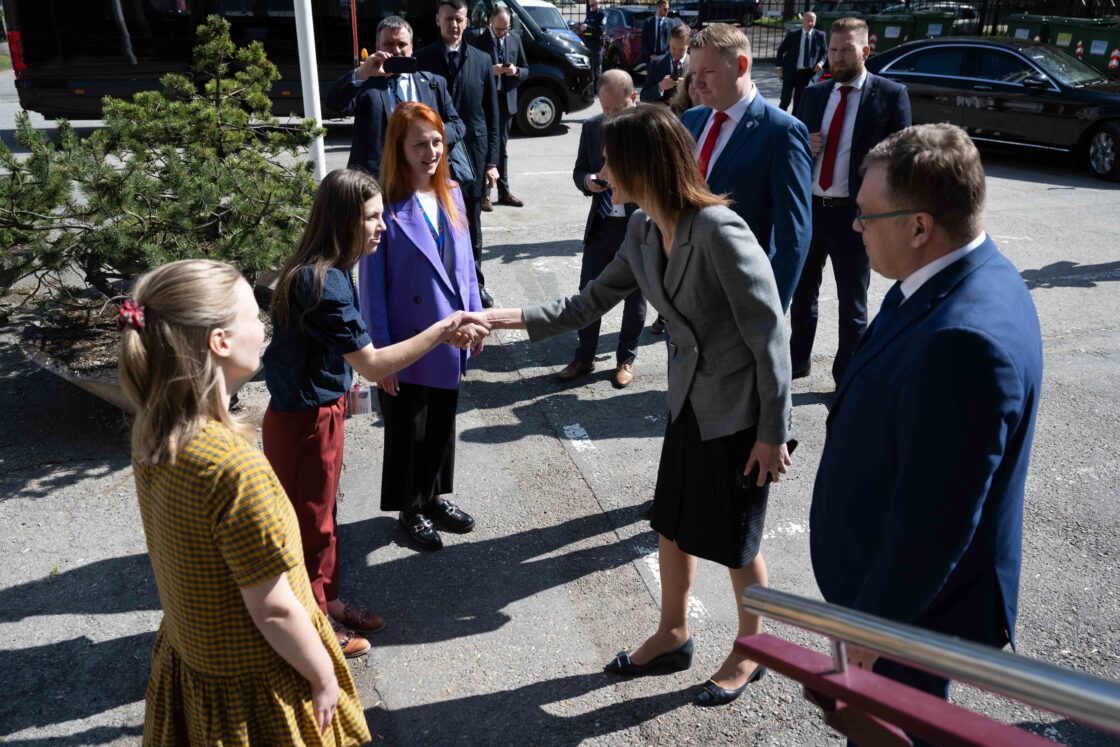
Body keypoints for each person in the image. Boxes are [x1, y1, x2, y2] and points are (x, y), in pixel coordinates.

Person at [484, 104, 794, 708]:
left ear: (644, 166)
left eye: (611, 161)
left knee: (736, 539)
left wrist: (772, 431)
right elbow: (586, 304)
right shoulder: (643, 231)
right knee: (671, 523)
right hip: (685, 404)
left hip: (737, 412)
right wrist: (500, 319)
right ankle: (674, 634)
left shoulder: (719, 232)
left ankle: (753, 650)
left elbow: (770, 334)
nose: (602, 171)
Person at [810, 124, 1043, 704]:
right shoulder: (952, 273)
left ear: (919, 227)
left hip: (914, 613)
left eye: (866, 214)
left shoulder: (964, 341)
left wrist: (873, 625)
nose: (854, 225)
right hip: (897, 591)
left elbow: (932, 525)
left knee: (892, 726)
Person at [118, 259, 370, 745]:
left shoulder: (154, 429)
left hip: (194, 658)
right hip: (255, 688)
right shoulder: (236, 469)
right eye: (256, 315)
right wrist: (322, 674)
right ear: (221, 342)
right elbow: (275, 609)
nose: (264, 325)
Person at [262, 169, 488, 657]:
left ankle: (330, 601)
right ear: (344, 220)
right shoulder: (323, 282)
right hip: (304, 422)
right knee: (310, 525)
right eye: (370, 217)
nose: (381, 226)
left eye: (381, 214)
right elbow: (373, 363)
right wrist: (444, 328)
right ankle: (316, 625)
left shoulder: (332, 267)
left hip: (319, 412)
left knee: (324, 519)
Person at [361, 103, 484, 552]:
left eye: (436, 141)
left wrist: (475, 318)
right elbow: (371, 289)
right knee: (407, 429)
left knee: (441, 424)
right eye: (419, 143)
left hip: (451, 333)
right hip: (407, 340)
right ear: (399, 147)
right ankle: (409, 509)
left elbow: (467, 266)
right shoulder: (385, 209)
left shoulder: (450, 191)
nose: (431, 151)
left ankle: (433, 497)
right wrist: (379, 355)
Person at [789, 17, 911, 385]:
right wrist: (800, 145)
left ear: (866, 51)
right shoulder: (812, 94)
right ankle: (797, 363)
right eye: (833, 50)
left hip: (855, 219)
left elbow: (902, 162)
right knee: (802, 296)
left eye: (846, 50)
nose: (837, 58)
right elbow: (789, 151)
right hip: (810, 211)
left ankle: (847, 378)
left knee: (852, 306)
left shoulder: (889, 95)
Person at [682, 23, 812, 312]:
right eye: (694, 72)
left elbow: (793, 238)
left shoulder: (782, 131)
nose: (696, 83)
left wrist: (767, 313)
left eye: (708, 72)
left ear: (741, 65)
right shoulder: (691, 120)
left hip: (741, 297)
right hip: (685, 292)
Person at [555, 70, 646, 388]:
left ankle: (626, 359)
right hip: (603, 223)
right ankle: (585, 356)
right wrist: (587, 181)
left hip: (637, 226)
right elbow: (580, 168)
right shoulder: (593, 127)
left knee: (635, 297)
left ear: (632, 99)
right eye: (604, 109)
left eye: (616, 110)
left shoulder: (648, 128)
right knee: (589, 292)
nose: (609, 117)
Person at [418, 0, 501, 309]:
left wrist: (492, 162)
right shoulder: (422, 59)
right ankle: (438, 284)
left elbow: (492, 116)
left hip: (474, 158)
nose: (454, 25)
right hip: (432, 157)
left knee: (471, 224)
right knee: (434, 221)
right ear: (438, 19)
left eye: (459, 19)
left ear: (467, 22)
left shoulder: (481, 60)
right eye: (449, 19)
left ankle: (475, 284)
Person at [325, 16, 466, 178]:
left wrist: (432, 135)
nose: (396, 50)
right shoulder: (365, 82)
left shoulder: (433, 82)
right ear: (378, 46)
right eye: (389, 44)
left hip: (423, 177)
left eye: (402, 44)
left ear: (412, 47)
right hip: (376, 181)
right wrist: (362, 72)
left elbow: (458, 125)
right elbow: (333, 102)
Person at [472, 5, 529, 211]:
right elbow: (471, 70)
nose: (502, 33)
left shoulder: (514, 39)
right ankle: (483, 194)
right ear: (490, 22)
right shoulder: (478, 40)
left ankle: (503, 191)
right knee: (485, 148)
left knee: (502, 149)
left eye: (505, 29)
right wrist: (490, 70)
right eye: (498, 29)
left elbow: (526, 70)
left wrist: (515, 71)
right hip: (486, 103)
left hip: (506, 102)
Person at [775, 12, 826, 113]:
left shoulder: (820, 35)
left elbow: (825, 51)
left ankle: (794, 123)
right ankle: (780, 121)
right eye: (808, 20)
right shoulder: (793, 34)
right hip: (790, 72)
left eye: (812, 21)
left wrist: (821, 62)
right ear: (803, 21)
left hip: (805, 74)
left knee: (799, 102)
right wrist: (779, 68)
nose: (810, 23)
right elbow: (781, 50)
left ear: (815, 22)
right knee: (785, 99)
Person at [640, 23, 690, 104]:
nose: (677, 52)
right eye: (673, 48)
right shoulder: (656, 63)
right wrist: (660, 87)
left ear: (688, 45)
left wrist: (687, 87)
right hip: (663, 113)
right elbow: (643, 97)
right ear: (669, 42)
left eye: (681, 49)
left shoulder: (695, 64)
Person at [579, 0, 608, 87]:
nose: (591, 7)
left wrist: (588, 27)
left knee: (597, 68)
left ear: (598, 3)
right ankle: (590, 88)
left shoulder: (602, 15)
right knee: (588, 68)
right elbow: (585, 28)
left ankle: (598, 89)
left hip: (596, 45)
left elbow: (601, 31)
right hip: (588, 44)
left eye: (593, 5)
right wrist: (582, 27)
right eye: (590, 5)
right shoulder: (590, 14)